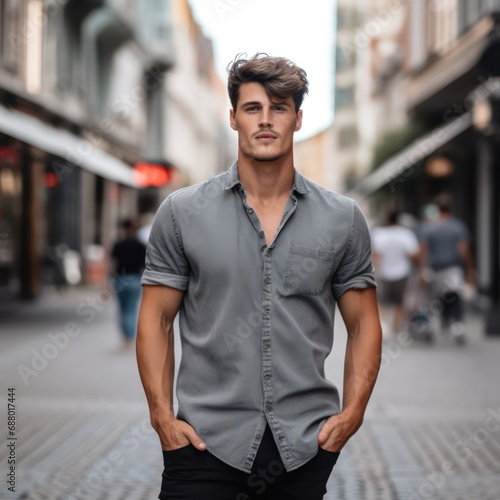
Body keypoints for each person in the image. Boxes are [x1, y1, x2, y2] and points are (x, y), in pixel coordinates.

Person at [137, 54, 382, 500]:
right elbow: (155, 320)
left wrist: (353, 414)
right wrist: (162, 418)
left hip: (304, 448)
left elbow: (364, 323)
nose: (265, 120)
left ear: (298, 118)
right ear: (233, 118)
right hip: (203, 444)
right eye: (252, 108)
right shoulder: (181, 213)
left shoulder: (342, 219)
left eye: (279, 108)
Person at [420, 194, 475, 345]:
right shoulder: (458, 226)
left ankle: (428, 328)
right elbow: (464, 249)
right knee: (454, 298)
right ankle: (457, 328)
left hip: (434, 268)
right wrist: (470, 269)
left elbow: (424, 250)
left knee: (431, 300)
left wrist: (421, 271)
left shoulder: (430, 227)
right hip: (453, 268)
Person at [372, 210, 420, 335]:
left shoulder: (379, 234)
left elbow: (376, 255)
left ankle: (383, 326)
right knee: (399, 302)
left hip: (384, 273)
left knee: (381, 301)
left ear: (387, 220)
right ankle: (396, 327)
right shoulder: (406, 234)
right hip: (402, 273)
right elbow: (413, 254)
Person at [111, 218, 146, 348]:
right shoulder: (141, 245)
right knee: (131, 309)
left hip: (120, 279)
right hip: (135, 279)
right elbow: (145, 264)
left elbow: (112, 263)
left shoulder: (118, 244)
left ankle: (126, 337)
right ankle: (130, 338)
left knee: (122, 310)